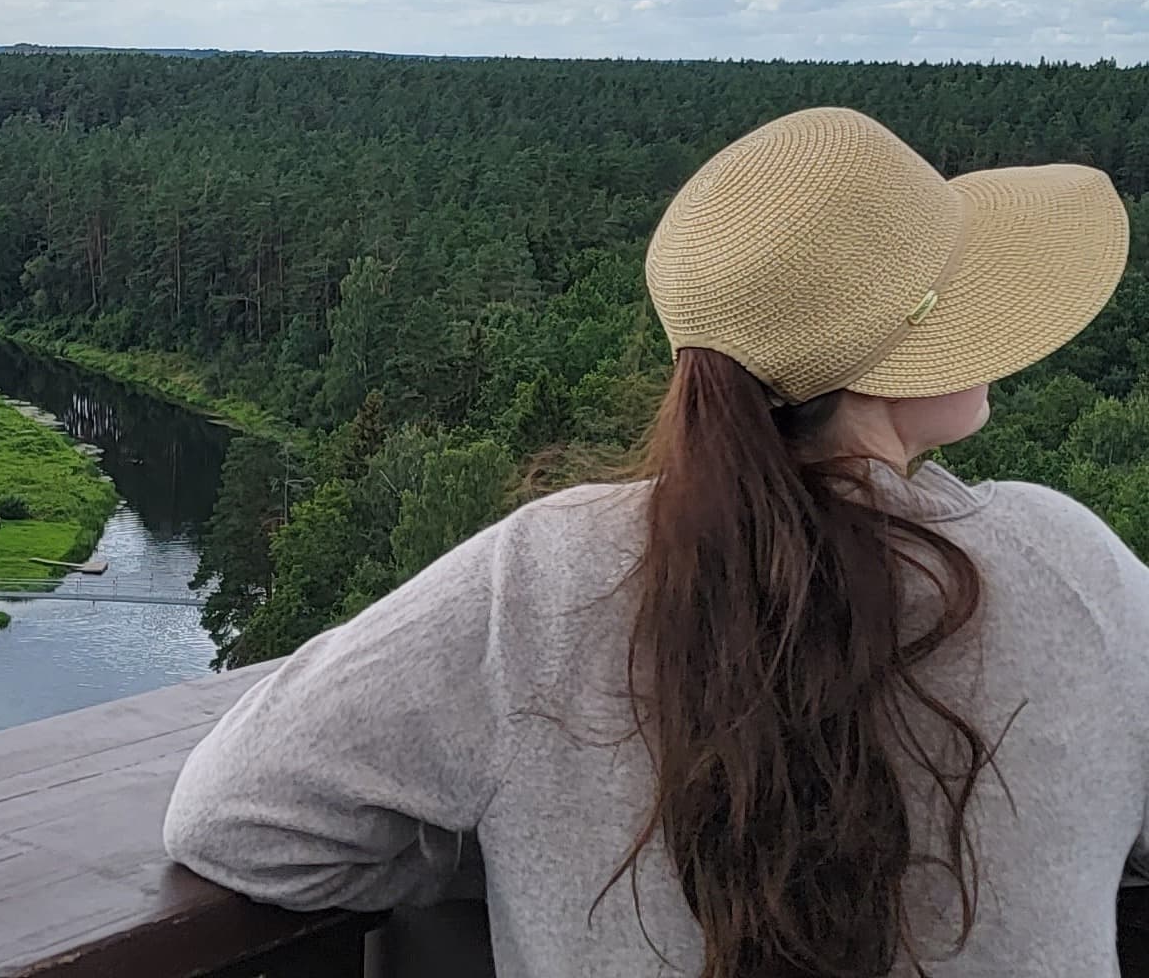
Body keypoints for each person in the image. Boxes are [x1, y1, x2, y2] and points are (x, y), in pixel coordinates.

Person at [164, 106, 1145, 977]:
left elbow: (234, 823)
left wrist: (518, 836)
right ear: (894, 360)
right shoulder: (1066, 565)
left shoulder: (549, 581)